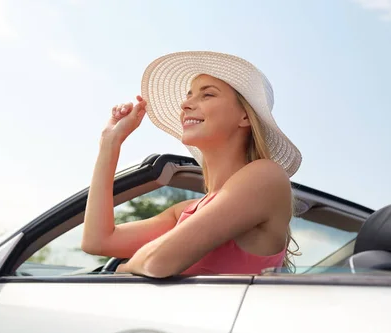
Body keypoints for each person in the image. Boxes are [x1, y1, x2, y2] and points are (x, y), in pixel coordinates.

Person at [81, 51, 302, 278]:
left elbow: (157, 262)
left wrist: (122, 268)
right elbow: (97, 240)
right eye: (189, 95)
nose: (186, 104)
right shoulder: (187, 211)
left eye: (207, 95)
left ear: (245, 117)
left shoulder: (265, 176)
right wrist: (110, 142)